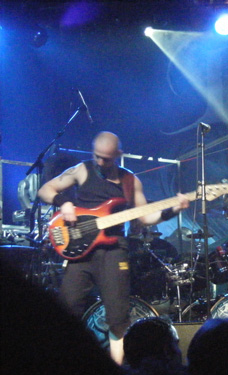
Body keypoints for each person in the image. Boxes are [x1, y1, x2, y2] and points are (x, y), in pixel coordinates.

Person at [38, 131, 189, 365]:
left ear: (119, 155)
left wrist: (174, 209)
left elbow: (146, 217)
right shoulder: (81, 169)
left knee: (118, 318)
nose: (100, 162)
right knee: (66, 311)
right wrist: (63, 202)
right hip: (79, 249)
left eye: (106, 158)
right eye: (97, 156)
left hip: (113, 251)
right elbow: (45, 190)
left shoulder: (131, 181)